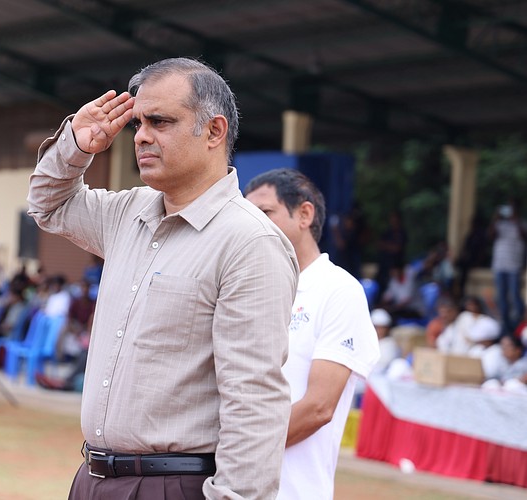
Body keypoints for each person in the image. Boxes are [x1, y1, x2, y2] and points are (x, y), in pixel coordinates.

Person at [27, 57, 298, 499]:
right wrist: (76, 144)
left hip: (173, 484)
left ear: (214, 131)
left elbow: (254, 401)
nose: (141, 136)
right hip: (94, 477)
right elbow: (47, 205)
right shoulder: (128, 213)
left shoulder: (249, 243)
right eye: (138, 123)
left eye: (160, 122)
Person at [243, 168, 379, 500]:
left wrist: (236, 452)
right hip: (224, 487)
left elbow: (318, 407)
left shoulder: (338, 290)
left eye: (264, 212)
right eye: (246, 214)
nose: (251, 224)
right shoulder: (244, 288)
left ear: (304, 214)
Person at [488, 200, 527, 336]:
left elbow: (524, 236)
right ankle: (505, 326)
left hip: (514, 266)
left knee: (515, 295)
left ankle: (518, 324)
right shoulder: (499, 224)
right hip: (499, 265)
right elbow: (490, 236)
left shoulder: (522, 224)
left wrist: (516, 220)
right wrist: (495, 218)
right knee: (501, 297)